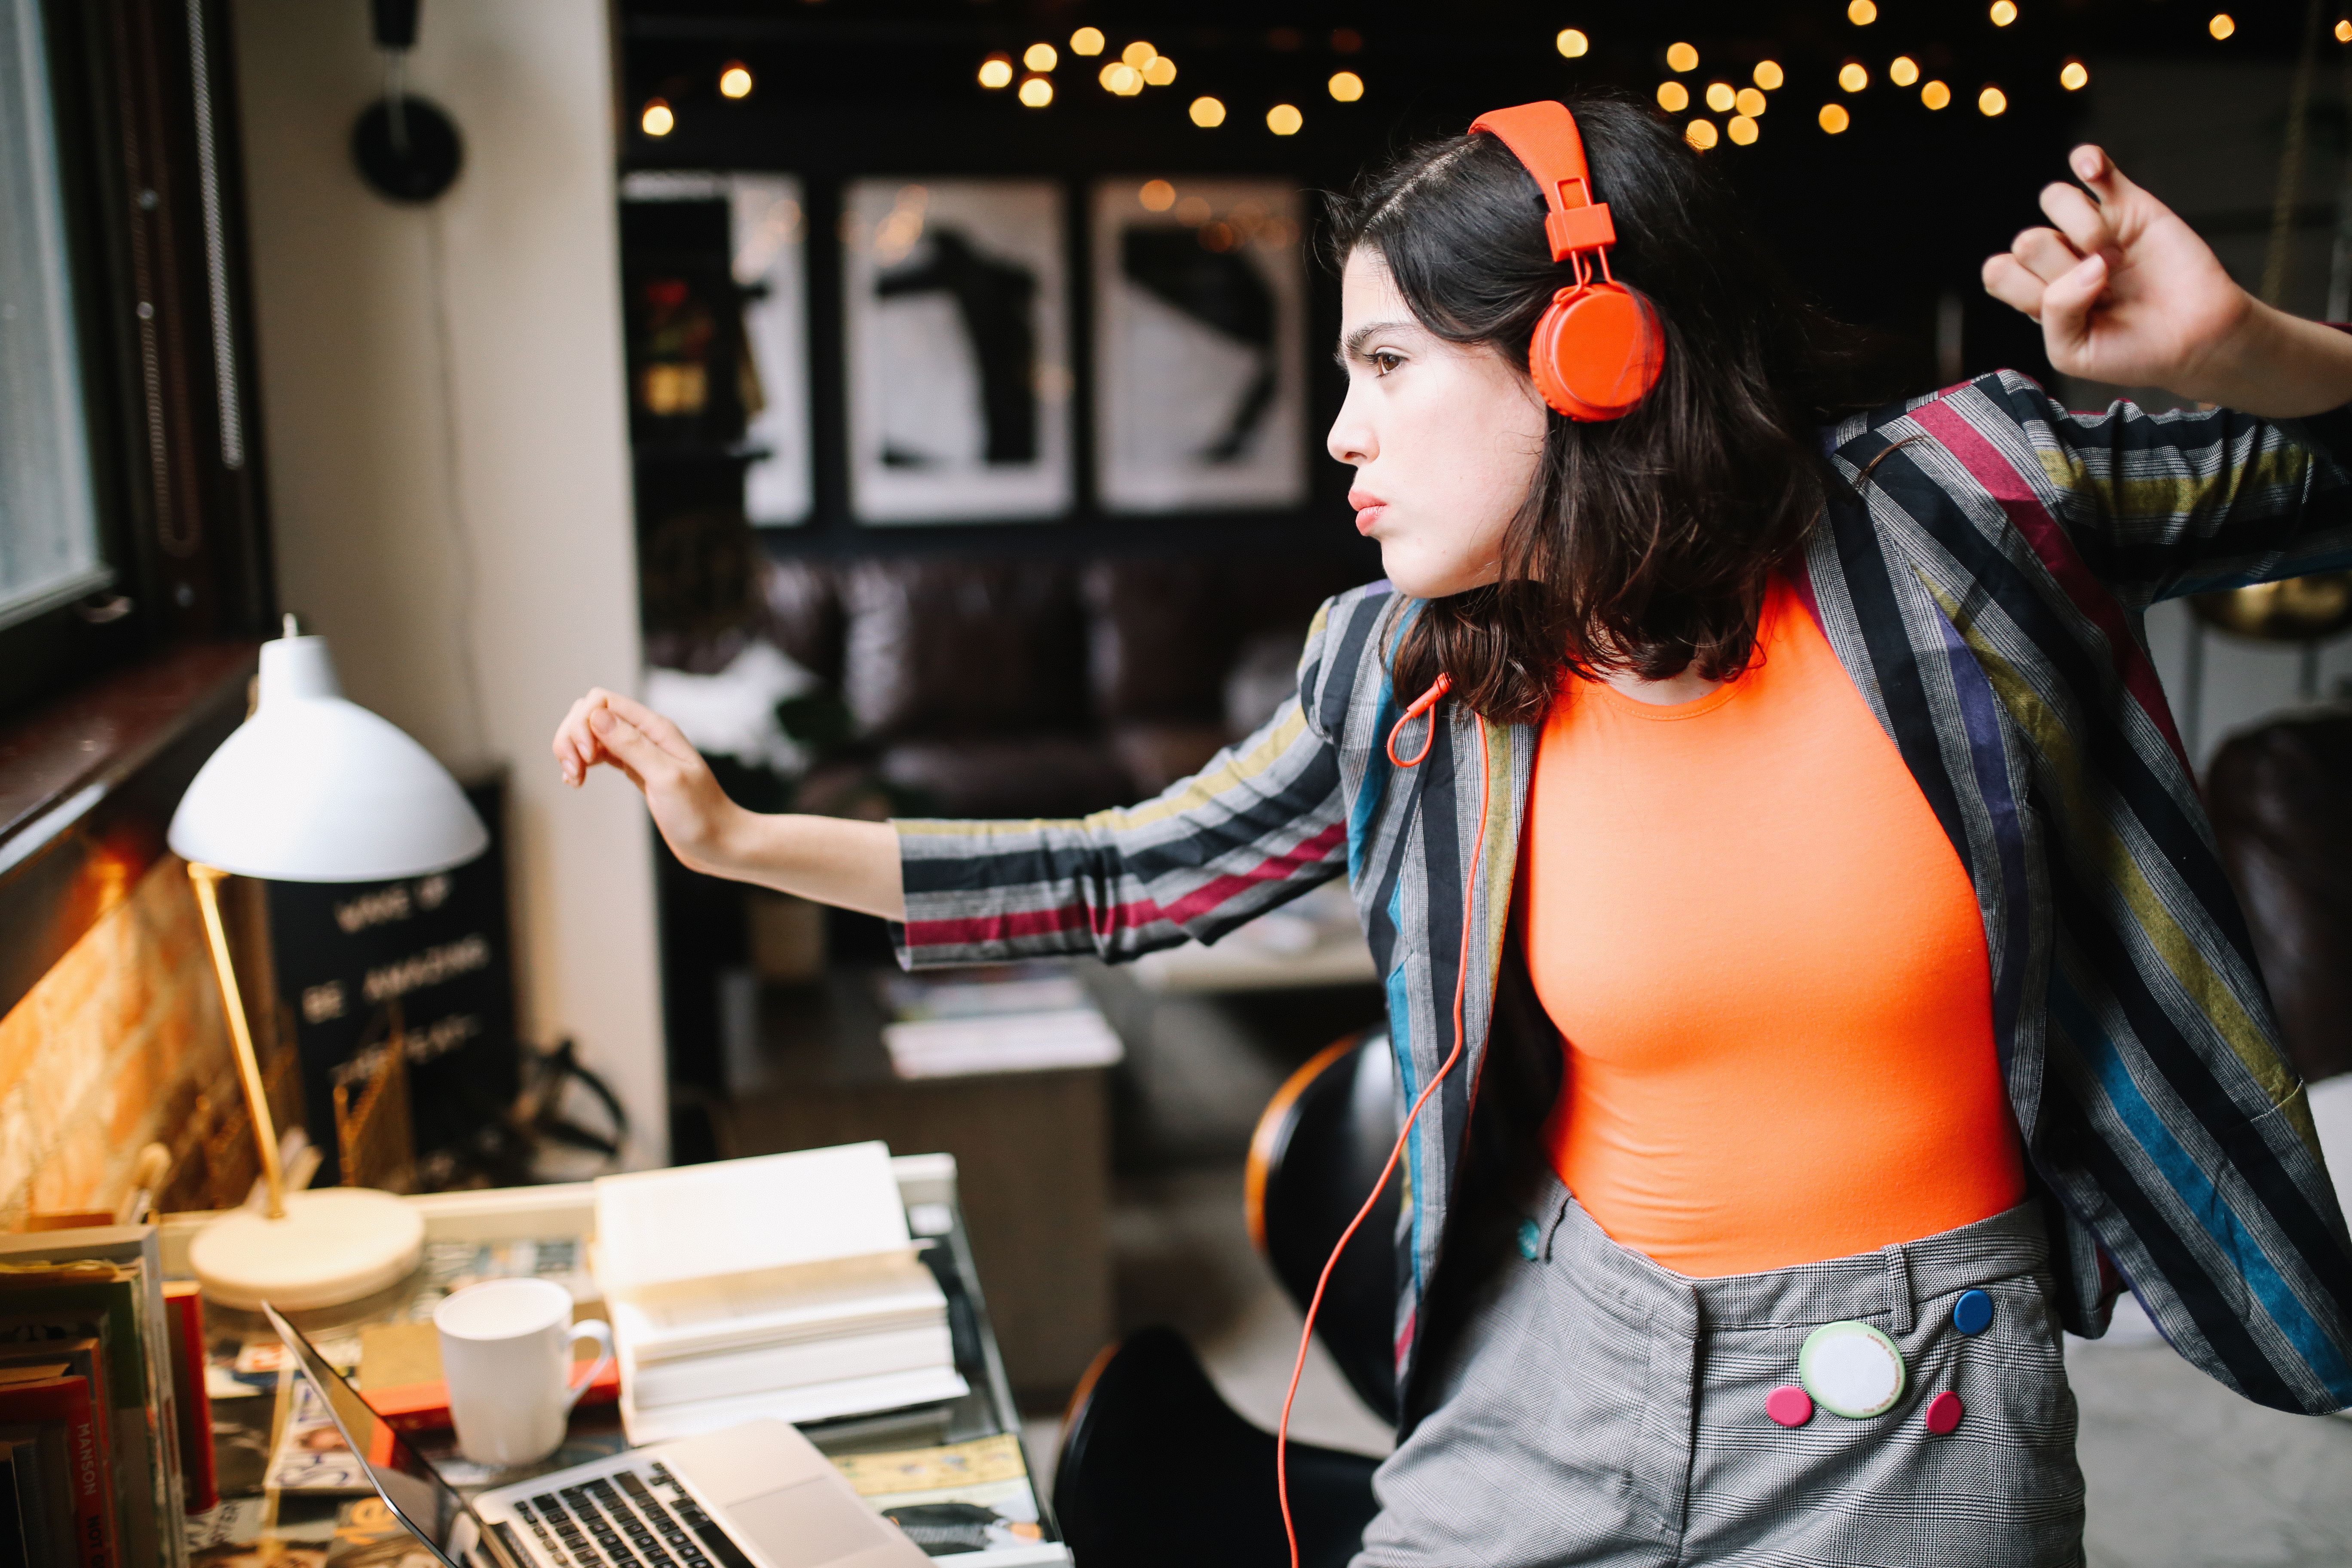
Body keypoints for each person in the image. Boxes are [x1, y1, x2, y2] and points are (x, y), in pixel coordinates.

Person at [555, 92, 2352, 1567]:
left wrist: (2247, 349)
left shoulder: (1961, 509)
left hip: (1912, 1405)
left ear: (1589, 348)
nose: (1342, 433)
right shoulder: (1409, 667)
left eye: (1388, 365)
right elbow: (1131, 869)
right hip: (1557, 1358)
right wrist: (746, 839)